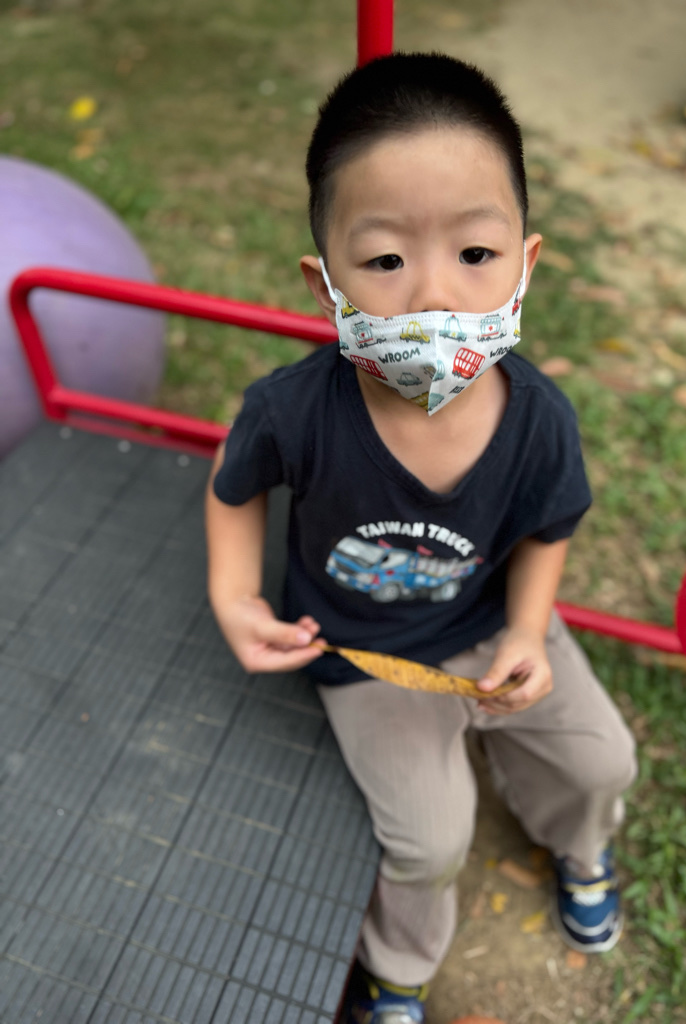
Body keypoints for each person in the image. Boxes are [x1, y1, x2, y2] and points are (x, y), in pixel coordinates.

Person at [206, 52, 637, 1024]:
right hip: (364, 651)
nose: (436, 294)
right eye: (386, 260)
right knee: (431, 841)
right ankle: (398, 970)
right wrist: (234, 596)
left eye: (475, 254)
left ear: (526, 263)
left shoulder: (540, 419)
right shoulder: (293, 410)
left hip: (492, 622)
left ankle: (581, 849)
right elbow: (234, 484)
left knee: (603, 762)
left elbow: (548, 529)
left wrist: (527, 630)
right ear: (326, 284)